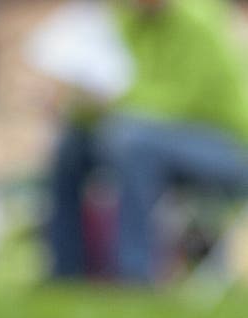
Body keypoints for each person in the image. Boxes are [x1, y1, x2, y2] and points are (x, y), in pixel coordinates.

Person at [47, 0, 248, 283]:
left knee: (132, 142)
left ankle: (134, 274)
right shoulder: (127, 22)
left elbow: (180, 104)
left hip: (228, 147)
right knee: (74, 143)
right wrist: (76, 104)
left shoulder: (199, 21)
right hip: (155, 139)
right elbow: (117, 85)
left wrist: (109, 103)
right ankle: (66, 272)